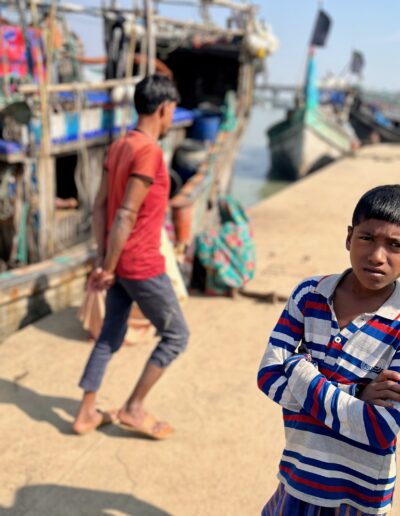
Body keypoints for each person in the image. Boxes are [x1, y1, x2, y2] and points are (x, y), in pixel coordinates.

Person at [258, 185, 400, 515]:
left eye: (395, 245)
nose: (377, 256)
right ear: (349, 237)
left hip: (359, 491)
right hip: (298, 472)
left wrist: (298, 370)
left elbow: (379, 428)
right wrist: (357, 392)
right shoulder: (310, 294)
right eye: (367, 238)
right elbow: (267, 376)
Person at [72, 74, 189, 439]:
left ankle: (86, 413)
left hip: (119, 260)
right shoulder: (149, 151)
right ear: (164, 108)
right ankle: (133, 407)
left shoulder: (120, 145)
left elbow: (99, 207)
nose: (171, 119)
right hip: (139, 263)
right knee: (176, 335)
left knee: (110, 335)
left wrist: (103, 260)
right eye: (172, 112)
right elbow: (124, 213)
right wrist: (107, 268)